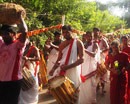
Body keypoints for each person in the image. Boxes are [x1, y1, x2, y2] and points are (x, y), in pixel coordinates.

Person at [49, 25, 84, 103]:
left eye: (67, 32)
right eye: (63, 33)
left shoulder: (78, 42)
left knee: (74, 95)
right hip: (62, 73)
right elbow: (59, 60)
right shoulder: (62, 45)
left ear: (71, 32)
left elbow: (82, 60)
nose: (65, 34)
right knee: (63, 96)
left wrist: (68, 66)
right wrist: (53, 69)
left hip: (73, 72)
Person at [0, 13, 27, 104]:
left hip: (14, 81)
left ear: (14, 34)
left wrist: (21, 18)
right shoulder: (1, 45)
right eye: (2, 34)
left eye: (7, 33)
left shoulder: (18, 45)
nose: (4, 36)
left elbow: (24, 31)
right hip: (1, 81)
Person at [79, 31, 100, 104]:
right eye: (87, 36)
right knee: (83, 84)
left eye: (90, 36)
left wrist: (84, 50)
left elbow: (94, 54)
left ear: (93, 36)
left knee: (91, 85)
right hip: (84, 66)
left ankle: (92, 101)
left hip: (91, 67)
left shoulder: (95, 44)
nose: (89, 37)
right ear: (85, 37)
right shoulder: (84, 44)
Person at [93, 27, 109, 93]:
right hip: (94, 59)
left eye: (96, 32)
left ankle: (103, 88)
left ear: (99, 32)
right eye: (94, 32)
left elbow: (107, 47)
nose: (95, 33)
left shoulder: (102, 40)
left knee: (102, 72)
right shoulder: (92, 39)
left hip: (101, 58)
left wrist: (101, 51)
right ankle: (96, 86)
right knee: (96, 73)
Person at [120, 36, 130, 104]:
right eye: (123, 40)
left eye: (125, 40)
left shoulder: (129, 48)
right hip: (123, 68)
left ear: (127, 40)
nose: (124, 42)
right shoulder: (120, 48)